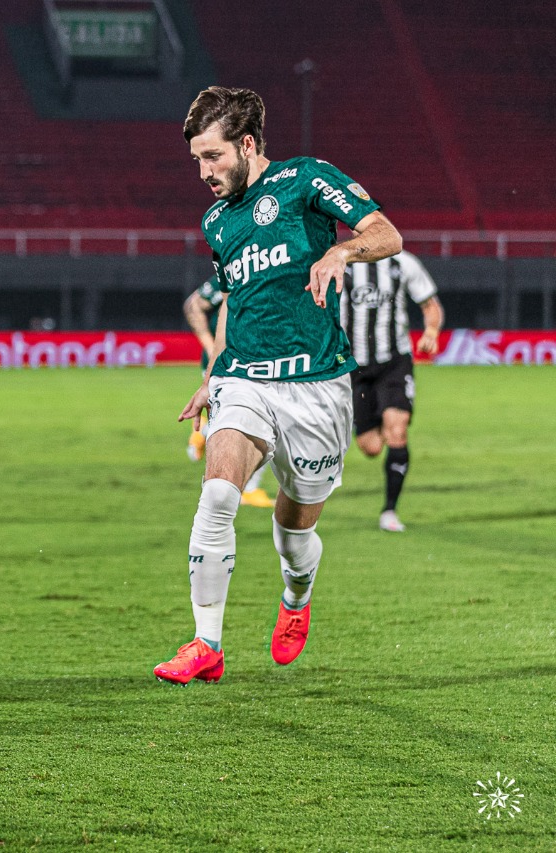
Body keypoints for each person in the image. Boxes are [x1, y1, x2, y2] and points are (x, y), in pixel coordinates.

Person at [154, 86, 403, 684]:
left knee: (295, 532)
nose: (204, 172)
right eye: (196, 160)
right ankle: (206, 644)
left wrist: (341, 254)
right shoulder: (217, 221)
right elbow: (234, 301)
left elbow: (387, 234)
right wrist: (213, 375)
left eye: (212, 157)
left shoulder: (306, 179)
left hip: (317, 386)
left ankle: (296, 598)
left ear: (246, 144)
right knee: (217, 496)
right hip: (244, 380)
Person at [341, 251, 443, 532]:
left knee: (397, 430)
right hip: (354, 367)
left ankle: (389, 511)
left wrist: (431, 331)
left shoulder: (404, 263)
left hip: (394, 362)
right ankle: (381, 421)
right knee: (371, 447)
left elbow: (430, 304)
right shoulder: (341, 262)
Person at [182, 275, 275, 508]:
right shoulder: (237, 271)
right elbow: (193, 305)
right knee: (258, 422)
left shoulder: (276, 272)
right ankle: (246, 489)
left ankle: (204, 433)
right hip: (225, 363)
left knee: (253, 420)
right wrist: (211, 346)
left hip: (259, 360)